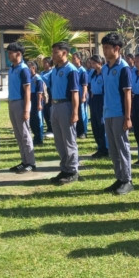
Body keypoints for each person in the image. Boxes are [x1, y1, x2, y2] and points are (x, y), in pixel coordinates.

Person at [100, 33, 134, 195]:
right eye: (103, 48)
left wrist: (127, 117)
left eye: (107, 48)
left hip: (120, 113)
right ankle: (119, 178)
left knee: (122, 148)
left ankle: (127, 180)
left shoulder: (123, 68)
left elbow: (127, 94)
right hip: (108, 113)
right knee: (113, 149)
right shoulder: (105, 68)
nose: (104, 51)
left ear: (117, 48)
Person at [48, 42, 81, 184]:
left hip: (66, 105)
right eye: (53, 52)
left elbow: (75, 93)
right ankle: (64, 168)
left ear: (65, 53)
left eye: (56, 52)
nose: (53, 55)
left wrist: (75, 112)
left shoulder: (71, 70)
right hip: (55, 106)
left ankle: (72, 170)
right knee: (59, 140)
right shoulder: (54, 70)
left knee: (69, 140)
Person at [6, 42, 37, 173]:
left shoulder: (24, 69)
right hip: (12, 102)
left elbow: (27, 90)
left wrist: (26, 109)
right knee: (18, 134)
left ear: (18, 54)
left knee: (25, 134)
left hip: (20, 103)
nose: (8, 56)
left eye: (10, 53)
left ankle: (31, 162)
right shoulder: (12, 68)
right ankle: (24, 161)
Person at [87, 54, 109, 158]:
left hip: (102, 99)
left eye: (93, 63)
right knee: (94, 124)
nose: (91, 65)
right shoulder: (92, 73)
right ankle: (99, 147)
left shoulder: (104, 73)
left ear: (99, 63)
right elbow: (90, 86)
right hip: (94, 99)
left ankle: (105, 148)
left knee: (101, 124)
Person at [72, 52, 89, 139]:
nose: (73, 60)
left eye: (74, 58)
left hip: (81, 93)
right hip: (75, 94)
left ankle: (83, 132)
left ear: (79, 59)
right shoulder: (73, 69)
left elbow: (85, 85)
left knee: (82, 113)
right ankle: (78, 131)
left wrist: (83, 96)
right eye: (72, 58)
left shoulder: (82, 70)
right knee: (76, 112)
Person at [28, 61, 45, 146]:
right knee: (32, 120)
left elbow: (39, 92)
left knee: (38, 120)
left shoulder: (38, 78)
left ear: (33, 68)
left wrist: (39, 104)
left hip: (36, 99)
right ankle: (36, 136)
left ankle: (39, 138)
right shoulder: (29, 78)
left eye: (29, 67)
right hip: (31, 98)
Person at [41, 57, 54, 138]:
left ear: (49, 63)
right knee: (45, 111)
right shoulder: (42, 73)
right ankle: (48, 127)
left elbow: (53, 84)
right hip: (42, 92)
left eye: (45, 62)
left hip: (49, 92)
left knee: (50, 111)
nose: (43, 64)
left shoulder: (52, 72)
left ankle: (52, 129)